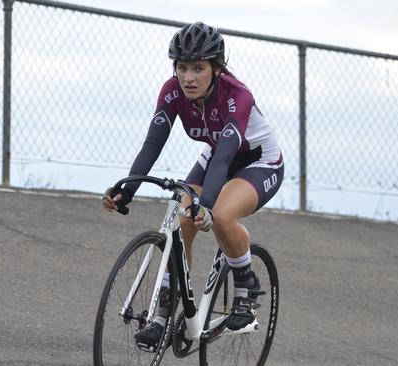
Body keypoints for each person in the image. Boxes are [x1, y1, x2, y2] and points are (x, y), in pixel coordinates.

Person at [102, 21, 284, 350]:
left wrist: (208, 205)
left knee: (222, 215)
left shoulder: (237, 97)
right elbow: (152, 143)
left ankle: (246, 282)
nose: (188, 77)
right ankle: (163, 313)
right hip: (215, 156)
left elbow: (226, 158)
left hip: (257, 161)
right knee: (181, 217)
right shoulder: (172, 91)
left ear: (216, 69)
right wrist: (126, 189)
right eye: (181, 67)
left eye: (198, 68)